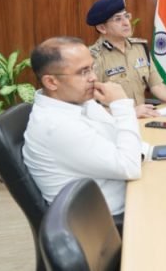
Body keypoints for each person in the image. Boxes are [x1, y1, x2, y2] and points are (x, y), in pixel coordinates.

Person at [22, 37, 142, 216]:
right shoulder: (55, 126)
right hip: (104, 220)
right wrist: (122, 105)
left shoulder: (76, 100)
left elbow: (117, 139)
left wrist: (155, 153)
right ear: (51, 82)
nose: (93, 77)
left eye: (92, 68)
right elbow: (128, 167)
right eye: (83, 72)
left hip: (128, 194)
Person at [86, 0, 166, 118]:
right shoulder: (92, 57)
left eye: (126, 16)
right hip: (113, 123)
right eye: (118, 19)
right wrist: (129, 113)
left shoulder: (140, 48)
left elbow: (157, 86)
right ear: (102, 28)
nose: (126, 23)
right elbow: (88, 106)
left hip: (143, 119)